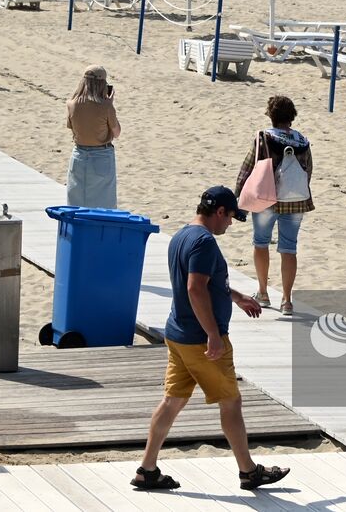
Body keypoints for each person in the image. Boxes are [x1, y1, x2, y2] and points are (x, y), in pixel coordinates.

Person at [132, 187, 289, 493]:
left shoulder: (183, 235)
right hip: (200, 340)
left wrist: (236, 296)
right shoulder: (204, 242)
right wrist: (213, 336)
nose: (230, 225)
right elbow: (195, 288)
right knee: (231, 403)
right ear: (219, 212)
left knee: (172, 401)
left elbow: (205, 283)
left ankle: (146, 470)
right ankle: (249, 472)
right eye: (230, 218)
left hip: (177, 334)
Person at [234, 96, 314, 314]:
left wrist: (238, 196)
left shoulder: (264, 137)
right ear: (292, 116)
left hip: (265, 198)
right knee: (289, 248)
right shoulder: (302, 140)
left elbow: (248, 167)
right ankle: (287, 300)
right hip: (295, 200)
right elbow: (308, 170)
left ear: (271, 115)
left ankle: (263, 292)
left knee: (261, 242)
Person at [65, 66, 121, 209]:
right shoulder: (105, 106)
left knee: (76, 202)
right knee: (104, 204)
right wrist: (110, 105)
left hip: (79, 154)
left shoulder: (72, 104)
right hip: (101, 155)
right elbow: (116, 132)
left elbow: (72, 128)